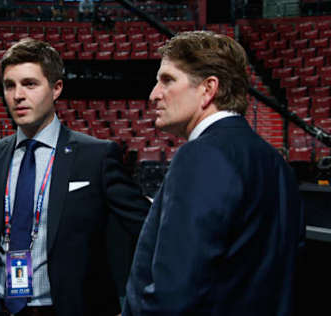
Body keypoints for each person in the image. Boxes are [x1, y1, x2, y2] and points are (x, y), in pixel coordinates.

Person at [123, 31, 305, 316]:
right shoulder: (276, 162)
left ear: (208, 89)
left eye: (167, 80)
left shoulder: (200, 155)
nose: (154, 94)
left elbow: (174, 293)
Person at [0, 38, 150, 316]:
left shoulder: (97, 156)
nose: (17, 95)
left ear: (56, 88)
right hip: (0, 308)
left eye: (30, 84)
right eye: (10, 85)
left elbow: (146, 228)